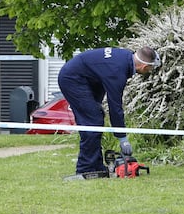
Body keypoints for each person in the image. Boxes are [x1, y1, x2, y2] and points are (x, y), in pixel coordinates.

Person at [58, 46, 161, 177]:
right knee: (92, 121)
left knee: (96, 117)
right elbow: (115, 107)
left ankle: (95, 165)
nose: (149, 72)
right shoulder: (117, 71)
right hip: (72, 79)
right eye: (150, 69)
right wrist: (122, 138)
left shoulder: (125, 58)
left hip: (89, 79)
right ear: (144, 66)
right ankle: (86, 169)